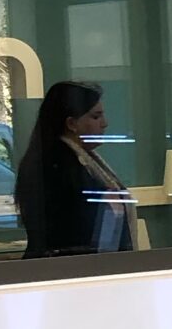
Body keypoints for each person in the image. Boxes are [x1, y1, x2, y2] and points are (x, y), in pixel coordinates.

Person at [16, 81, 139, 258]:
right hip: (68, 264)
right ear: (72, 123)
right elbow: (77, 225)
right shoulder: (59, 166)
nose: (104, 124)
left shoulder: (79, 160)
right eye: (95, 117)